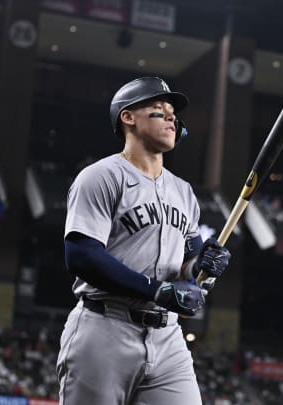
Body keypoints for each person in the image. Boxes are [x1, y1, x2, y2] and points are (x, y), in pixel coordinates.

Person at [56, 77, 231, 405]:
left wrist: (203, 262)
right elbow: (81, 255)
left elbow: (186, 264)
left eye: (173, 116)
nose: (171, 118)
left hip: (168, 337)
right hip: (105, 327)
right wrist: (157, 290)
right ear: (128, 117)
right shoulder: (101, 176)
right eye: (159, 111)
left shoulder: (183, 191)